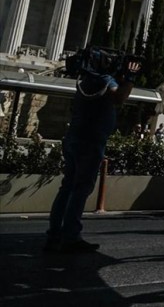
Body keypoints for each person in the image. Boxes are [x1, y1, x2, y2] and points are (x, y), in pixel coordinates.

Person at [46, 55, 141, 253]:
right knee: (80, 188)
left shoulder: (84, 82)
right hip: (91, 141)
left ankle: (55, 233)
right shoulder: (104, 80)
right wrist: (130, 78)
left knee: (68, 186)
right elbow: (119, 98)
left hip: (74, 138)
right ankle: (70, 237)